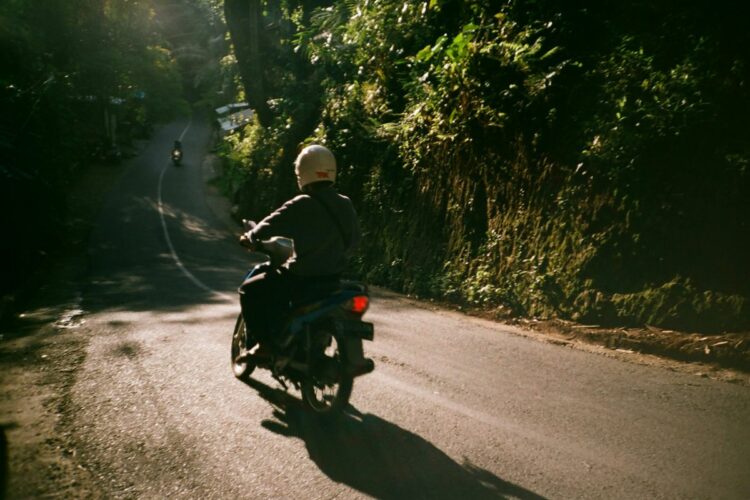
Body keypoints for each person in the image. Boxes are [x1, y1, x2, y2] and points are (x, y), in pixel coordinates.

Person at [238, 144, 361, 359]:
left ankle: (265, 345)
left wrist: (251, 236)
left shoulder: (302, 203)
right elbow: (354, 243)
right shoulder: (345, 203)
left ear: (302, 173)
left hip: (301, 280)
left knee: (250, 290)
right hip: (332, 280)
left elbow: (269, 224)